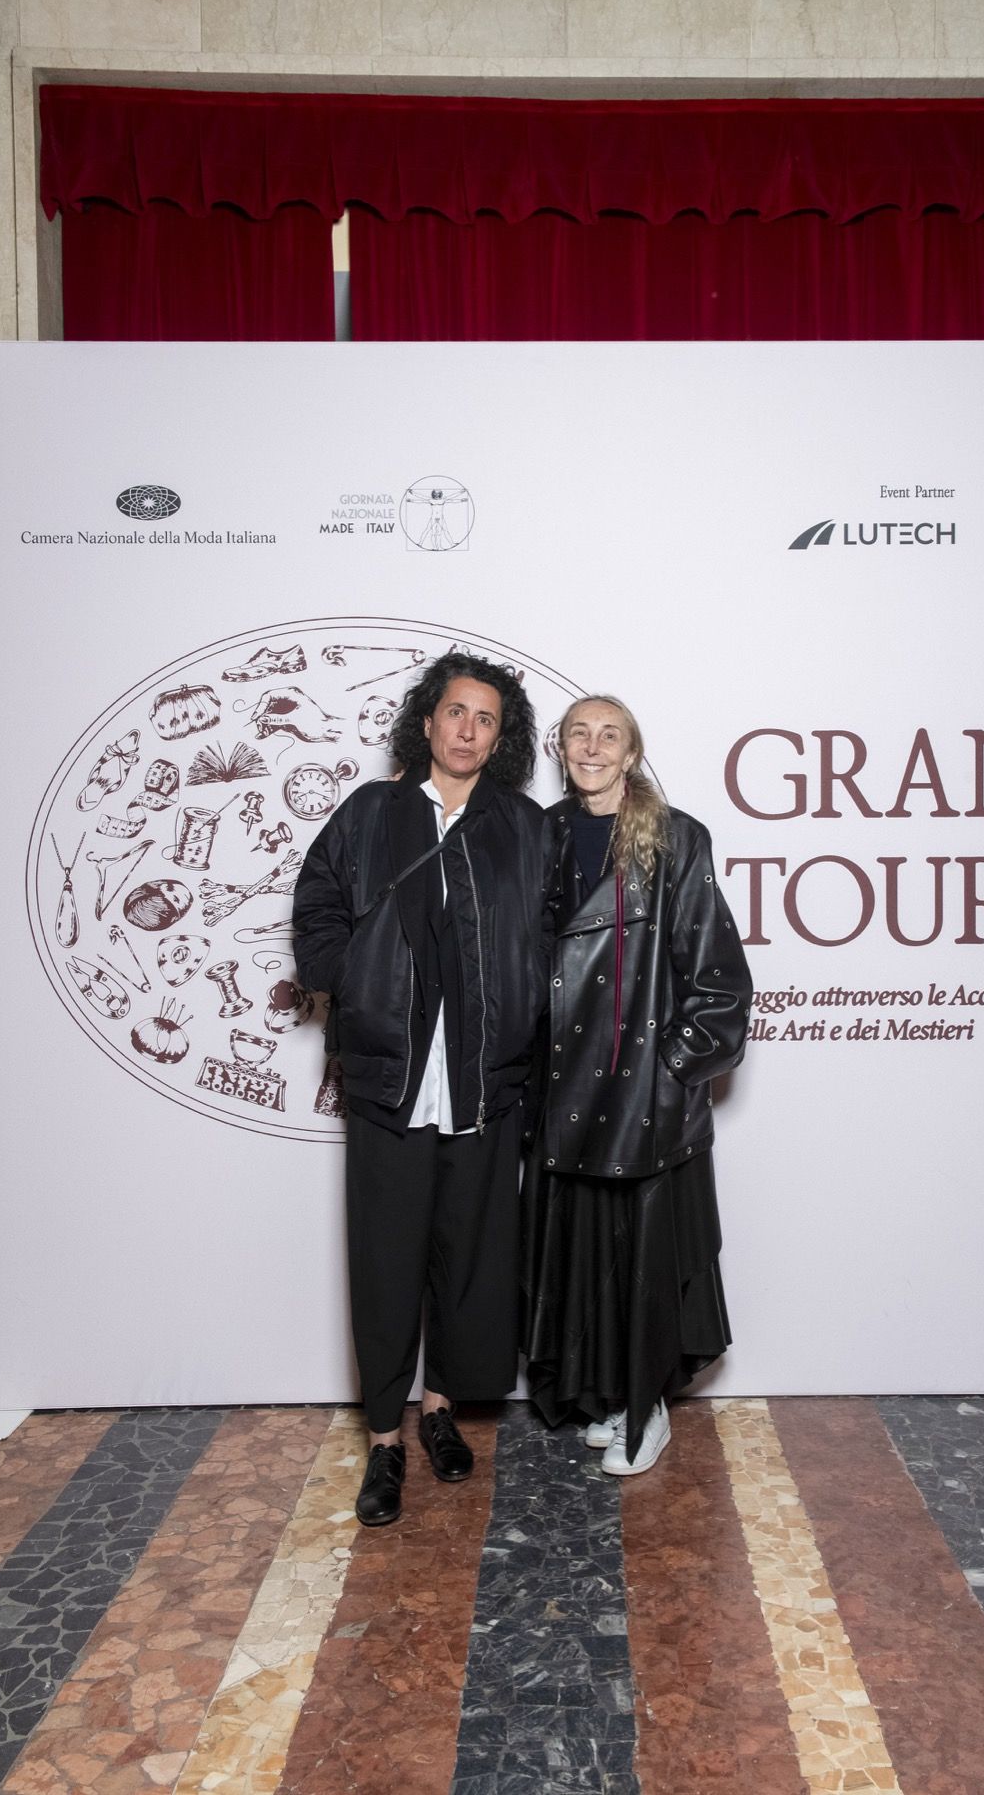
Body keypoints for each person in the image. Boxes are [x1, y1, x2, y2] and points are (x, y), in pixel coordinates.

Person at [293, 651, 547, 1525]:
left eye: (487, 719)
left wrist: (528, 1018)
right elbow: (318, 902)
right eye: (456, 713)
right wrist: (348, 978)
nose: (468, 730)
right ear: (428, 721)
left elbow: (551, 932)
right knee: (386, 1258)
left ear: (500, 738)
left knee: (469, 1255)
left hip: (484, 1080)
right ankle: (384, 1440)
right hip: (390, 1075)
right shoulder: (371, 813)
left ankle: (441, 1409)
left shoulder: (521, 824)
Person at [522, 696, 752, 1475]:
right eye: (578, 734)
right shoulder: (539, 834)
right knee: (583, 1252)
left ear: (630, 753)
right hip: (562, 1089)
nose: (592, 747)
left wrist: (671, 1070)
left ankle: (645, 1406)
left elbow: (719, 977)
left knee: (644, 1256)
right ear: (561, 749)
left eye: (608, 735)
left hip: (640, 1095)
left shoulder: (675, 837)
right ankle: (605, 1396)